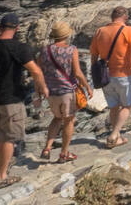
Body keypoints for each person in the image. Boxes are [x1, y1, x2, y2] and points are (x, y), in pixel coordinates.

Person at [0, 12, 49, 187]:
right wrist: (43, 88)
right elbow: (36, 71)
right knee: (9, 137)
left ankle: (2, 166)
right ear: (16, 28)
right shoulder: (20, 48)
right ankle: (2, 176)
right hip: (11, 99)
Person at [90, 7, 131, 149]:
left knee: (113, 107)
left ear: (112, 17)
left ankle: (118, 137)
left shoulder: (100, 31)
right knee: (128, 105)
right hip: (124, 74)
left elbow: (93, 57)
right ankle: (114, 134)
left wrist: (96, 73)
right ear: (125, 17)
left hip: (106, 76)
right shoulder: (129, 31)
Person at [37, 21, 91, 163]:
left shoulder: (44, 50)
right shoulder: (71, 49)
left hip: (51, 92)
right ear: (67, 35)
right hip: (67, 91)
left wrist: (38, 90)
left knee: (56, 118)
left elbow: (38, 72)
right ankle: (64, 154)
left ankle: (47, 148)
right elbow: (78, 73)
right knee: (69, 120)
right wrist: (87, 87)